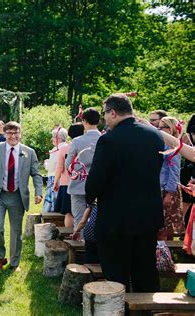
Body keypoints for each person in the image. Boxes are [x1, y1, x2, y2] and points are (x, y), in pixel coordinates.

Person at [86, 93, 164, 292]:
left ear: (113, 112)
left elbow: (96, 178)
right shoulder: (154, 135)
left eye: (105, 114)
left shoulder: (109, 140)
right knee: (145, 270)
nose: (104, 119)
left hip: (116, 218)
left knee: (116, 273)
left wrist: (90, 197)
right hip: (148, 216)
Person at [0, 121, 43, 272]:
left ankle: (15, 262)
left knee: (15, 231)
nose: (13, 136)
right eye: (9, 133)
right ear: (4, 134)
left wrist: (38, 192)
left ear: (20, 133)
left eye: (16, 133)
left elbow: (36, 174)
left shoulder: (29, 152)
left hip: (17, 196)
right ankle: (0, 258)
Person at [65, 108, 101, 231]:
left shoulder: (77, 141)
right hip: (99, 185)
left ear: (84, 121)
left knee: (79, 218)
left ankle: (80, 244)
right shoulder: (104, 139)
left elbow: (68, 164)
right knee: (98, 219)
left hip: (79, 183)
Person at [158, 116, 184, 241]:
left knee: (166, 226)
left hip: (167, 189)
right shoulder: (163, 144)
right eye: (159, 127)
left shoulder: (173, 145)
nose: (160, 129)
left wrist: (169, 193)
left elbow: (174, 171)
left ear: (171, 128)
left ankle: (165, 255)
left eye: (164, 127)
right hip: (161, 188)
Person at [53, 123, 84, 228]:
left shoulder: (64, 149)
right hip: (82, 182)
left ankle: (68, 235)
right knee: (83, 211)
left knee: (69, 212)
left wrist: (56, 182)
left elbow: (59, 168)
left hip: (66, 184)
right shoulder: (86, 147)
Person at [42, 127, 67, 212]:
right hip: (64, 179)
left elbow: (52, 167)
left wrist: (46, 164)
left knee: (53, 202)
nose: (52, 139)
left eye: (53, 137)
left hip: (54, 178)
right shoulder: (67, 147)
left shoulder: (56, 150)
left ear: (58, 139)